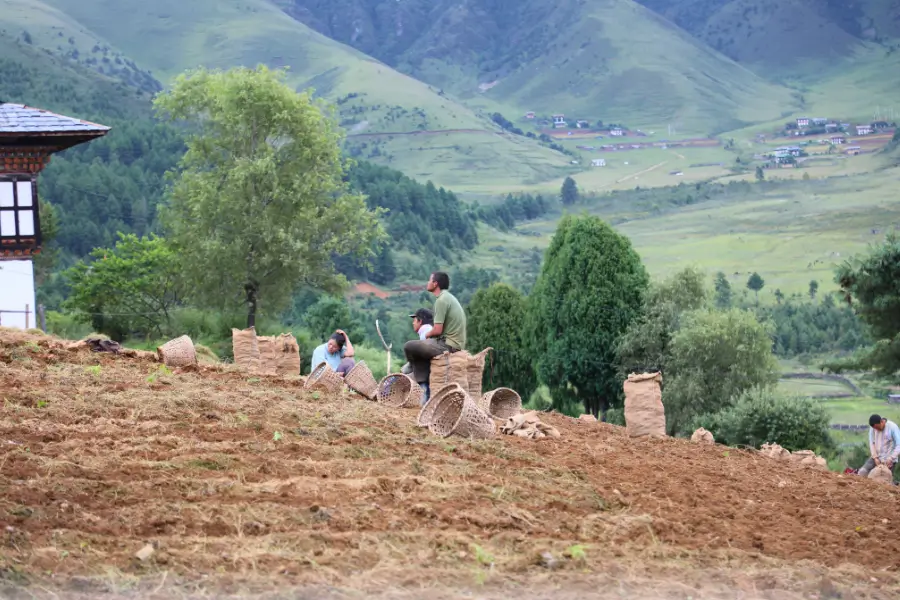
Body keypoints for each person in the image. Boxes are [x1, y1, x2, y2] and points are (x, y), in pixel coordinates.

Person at [403, 272, 467, 403]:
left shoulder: (441, 301)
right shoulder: (448, 298)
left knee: (409, 346)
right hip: (451, 342)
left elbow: (437, 330)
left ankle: (411, 368)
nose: (427, 282)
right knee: (421, 352)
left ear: (435, 283)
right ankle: (416, 374)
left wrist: (427, 334)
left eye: (429, 280)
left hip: (448, 344)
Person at [401, 308, 434, 375]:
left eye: (414, 320)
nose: (413, 323)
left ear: (420, 321)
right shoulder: (429, 329)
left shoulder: (425, 330)